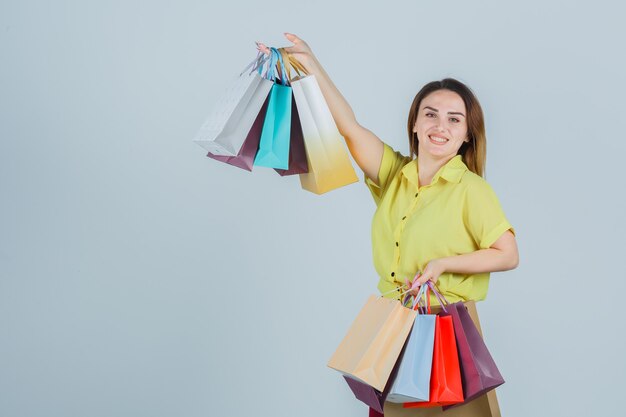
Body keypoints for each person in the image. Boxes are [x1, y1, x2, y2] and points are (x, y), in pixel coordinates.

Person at [260, 33, 519, 416]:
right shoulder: (396, 175)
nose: (440, 126)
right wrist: (310, 66)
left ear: (467, 134)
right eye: (430, 114)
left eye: (454, 119)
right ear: (414, 122)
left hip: (447, 326)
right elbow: (348, 127)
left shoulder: (471, 190)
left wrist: (443, 264)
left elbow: (508, 254)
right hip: (396, 323)